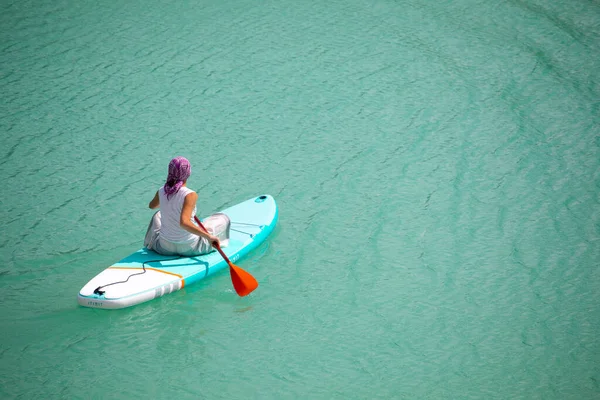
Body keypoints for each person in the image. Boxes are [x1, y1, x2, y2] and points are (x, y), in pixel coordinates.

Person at [143, 156, 230, 256]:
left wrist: (166, 202)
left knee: (157, 215)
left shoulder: (161, 190)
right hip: (189, 247)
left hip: (165, 247)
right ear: (188, 173)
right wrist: (208, 237)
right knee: (223, 219)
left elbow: (152, 206)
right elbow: (184, 223)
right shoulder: (190, 195)